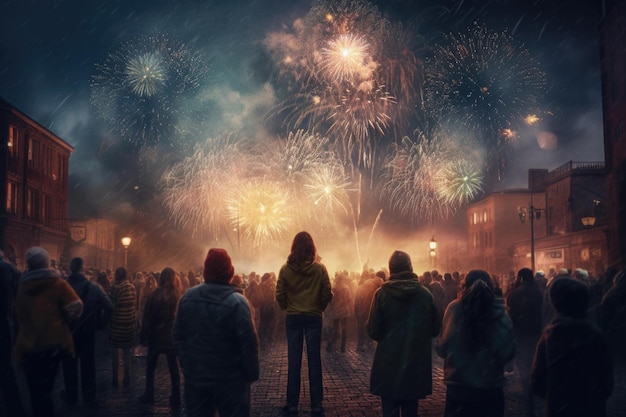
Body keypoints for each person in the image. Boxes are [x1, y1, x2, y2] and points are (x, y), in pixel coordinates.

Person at [173, 248, 259, 417]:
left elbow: (178, 335)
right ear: (230, 273)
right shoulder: (237, 303)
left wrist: (187, 365)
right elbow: (248, 342)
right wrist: (250, 374)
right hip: (230, 381)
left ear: (205, 272)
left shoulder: (188, 298)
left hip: (197, 378)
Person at [366, 250, 441, 417]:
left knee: (389, 409)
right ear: (410, 267)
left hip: (388, 363)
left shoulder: (381, 294)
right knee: (410, 410)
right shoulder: (425, 295)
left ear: (390, 270)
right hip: (414, 363)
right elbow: (436, 328)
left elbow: (373, 330)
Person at [436, 269, 516, 417]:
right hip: (490, 386)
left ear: (464, 286)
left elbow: (442, 348)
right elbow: (508, 351)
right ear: (491, 287)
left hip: (459, 385)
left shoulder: (454, 308)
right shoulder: (500, 311)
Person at [14, 247, 83, 417]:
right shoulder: (57, 284)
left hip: (29, 343)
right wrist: (63, 318)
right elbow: (76, 306)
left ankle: (39, 411)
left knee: (33, 388)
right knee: (47, 385)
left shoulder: (22, 286)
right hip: (53, 343)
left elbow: (16, 312)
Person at [531, 277, 613, 417]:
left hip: (558, 408)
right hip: (591, 408)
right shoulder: (595, 336)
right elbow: (606, 381)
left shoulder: (549, 336)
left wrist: (556, 395)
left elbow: (537, 381)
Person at [276, 231, 333, 416]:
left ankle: (292, 404)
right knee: (314, 360)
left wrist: (288, 306)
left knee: (294, 361)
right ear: (312, 247)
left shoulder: (285, 269)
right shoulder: (320, 269)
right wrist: (319, 307)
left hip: (293, 317)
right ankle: (316, 404)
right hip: (313, 317)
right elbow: (327, 292)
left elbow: (279, 294)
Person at [62, 257, 113, 408]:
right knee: (88, 366)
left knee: (69, 366)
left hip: (67, 333)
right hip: (87, 332)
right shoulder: (94, 287)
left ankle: (71, 397)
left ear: (71, 268)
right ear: (83, 268)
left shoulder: (62, 286)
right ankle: (89, 398)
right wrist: (100, 324)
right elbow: (109, 306)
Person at [138, 267, 182, 405]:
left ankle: (149, 394)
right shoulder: (177, 296)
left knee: (151, 367)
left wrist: (144, 333)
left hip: (155, 335)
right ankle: (176, 396)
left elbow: (147, 316)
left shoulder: (154, 295)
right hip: (170, 336)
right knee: (173, 367)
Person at [505, 267, 543, 416]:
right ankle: (532, 381)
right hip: (534, 329)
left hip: (520, 329)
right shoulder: (537, 292)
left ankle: (526, 383)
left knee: (522, 359)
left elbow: (510, 312)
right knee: (532, 356)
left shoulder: (515, 293)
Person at [0, 250, 26, 416]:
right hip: (3, 323)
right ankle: (15, 409)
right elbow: (20, 302)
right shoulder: (11, 270)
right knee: (5, 370)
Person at [108, 266, 137, 388]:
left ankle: (115, 378)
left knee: (115, 354)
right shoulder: (132, 287)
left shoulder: (115, 288)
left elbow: (111, 304)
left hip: (116, 324)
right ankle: (127, 377)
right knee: (126, 353)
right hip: (129, 324)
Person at [326, 271, 353, 353]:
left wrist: (332, 308)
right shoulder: (346, 288)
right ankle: (343, 347)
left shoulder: (334, 289)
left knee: (334, 327)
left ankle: (330, 345)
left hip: (336, 311)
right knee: (344, 329)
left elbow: (331, 300)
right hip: (345, 311)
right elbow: (349, 299)